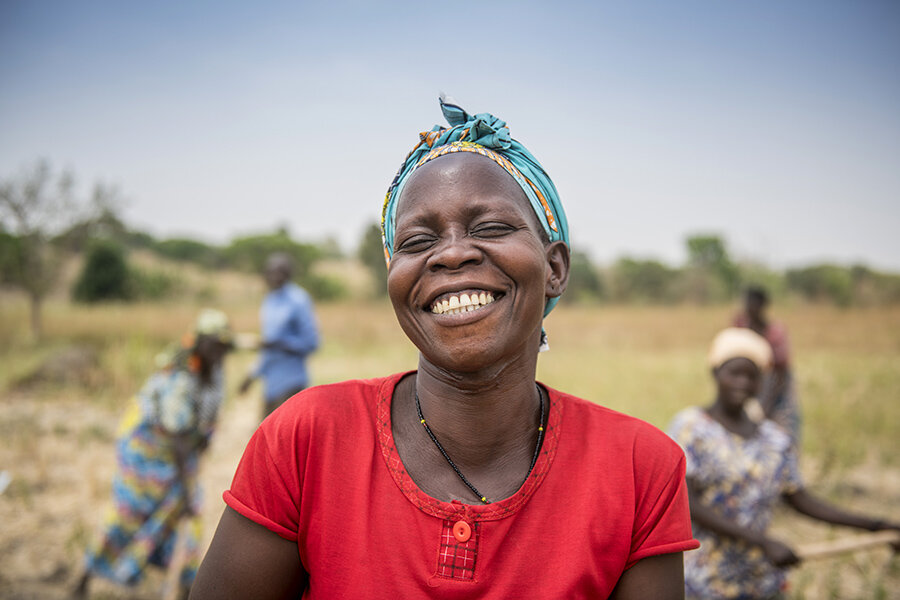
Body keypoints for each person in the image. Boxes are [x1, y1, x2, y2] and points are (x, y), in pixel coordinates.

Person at [191, 98, 698, 600]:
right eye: (415, 241)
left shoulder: (639, 469)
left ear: (555, 268)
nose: (453, 252)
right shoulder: (307, 440)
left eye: (492, 227)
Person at [668, 327, 899, 600]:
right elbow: (688, 502)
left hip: (763, 580)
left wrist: (876, 525)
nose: (742, 382)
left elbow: (800, 499)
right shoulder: (691, 429)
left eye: (752, 375)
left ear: (762, 382)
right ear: (716, 372)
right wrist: (762, 541)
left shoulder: (774, 440)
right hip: (705, 581)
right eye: (734, 373)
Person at [75, 309, 233, 600]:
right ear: (198, 342)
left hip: (181, 454)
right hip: (148, 455)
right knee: (130, 515)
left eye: (222, 346)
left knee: (188, 516)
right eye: (211, 344)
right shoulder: (180, 376)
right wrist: (187, 483)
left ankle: (188, 589)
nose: (217, 351)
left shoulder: (215, 371)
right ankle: (85, 576)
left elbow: (204, 424)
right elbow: (177, 435)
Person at [239, 252, 320, 420]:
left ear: (289, 274)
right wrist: (252, 375)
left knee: (284, 438)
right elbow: (267, 345)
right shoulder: (269, 299)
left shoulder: (298, 300)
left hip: (291, 382)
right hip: (271, 384)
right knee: (265, 438)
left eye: (280, 272)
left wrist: (280, 344)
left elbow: (311, 343)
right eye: (270, 272)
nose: (274, 277)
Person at [733, 286, 800, 443]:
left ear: (763, 305)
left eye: (754, 303)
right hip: (752, 383)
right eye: (747, 302)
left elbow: (780, 373)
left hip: (776, 388)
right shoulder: (740, 326)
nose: (750, 307)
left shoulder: (774, 332)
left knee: (783, 435)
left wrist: (765, 408)